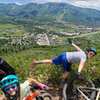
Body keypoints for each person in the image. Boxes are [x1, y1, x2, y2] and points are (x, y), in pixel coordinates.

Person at [30, 42, 97, 80]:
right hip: (66, 60)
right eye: (91, 53)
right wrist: (79, 72)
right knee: (67, 72)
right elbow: (81, 64)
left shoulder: (82, 52)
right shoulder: (84, 57)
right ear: (88, 52)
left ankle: (36, 62)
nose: (91, 55)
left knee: (51, 61)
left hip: (64, 54)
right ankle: (61, 83)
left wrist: (72, 43)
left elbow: (78, 48)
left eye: (92, 55)